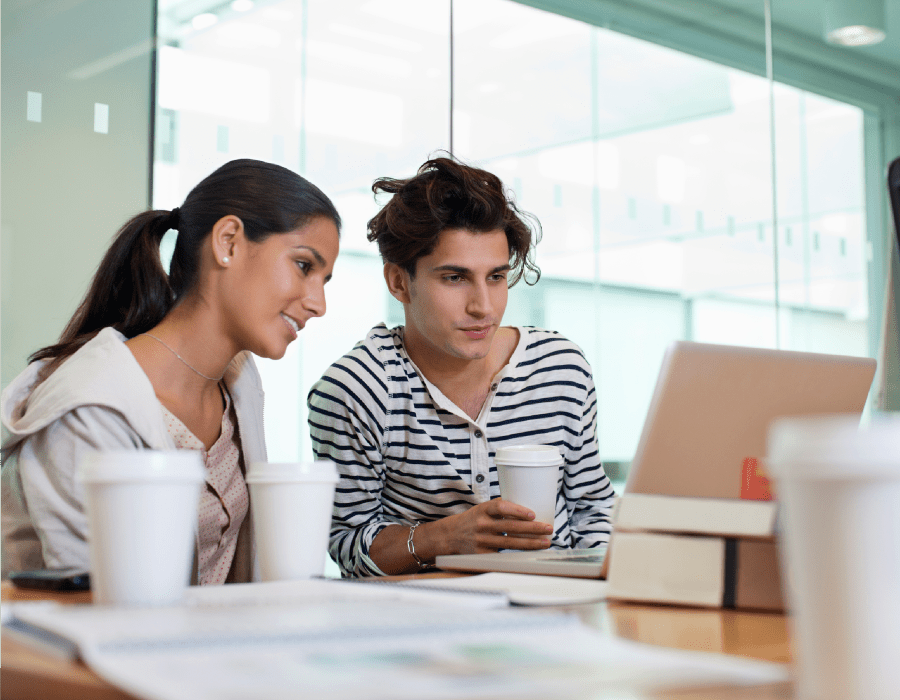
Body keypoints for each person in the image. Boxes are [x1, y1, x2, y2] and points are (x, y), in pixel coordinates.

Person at [1, 159, 341, 583]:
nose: (318, 304)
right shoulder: (90, 409)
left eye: (325, 280)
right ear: (229, 242)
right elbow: (98, 605)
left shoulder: (238, 380)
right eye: (305, 266)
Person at [308, 156, 614, 577]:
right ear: (399, 281)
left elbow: (593, 508)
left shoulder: (561, 367)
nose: (483, 307)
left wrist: (597, 586)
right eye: (454, 278)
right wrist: (443, 538)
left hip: (559, 606)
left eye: (495, 277)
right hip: (425, 621)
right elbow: (348, 544)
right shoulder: (357, 389)